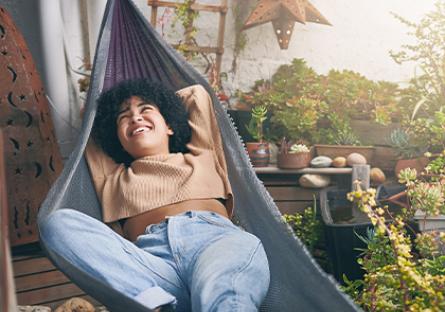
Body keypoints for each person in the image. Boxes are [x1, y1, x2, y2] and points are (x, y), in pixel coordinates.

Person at [39, 79, 270, 312]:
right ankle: (153, 303)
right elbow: (92, 125)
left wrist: (154, 101)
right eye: (123, 117)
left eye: (145, 110)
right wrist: (121, 109)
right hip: (153, 268)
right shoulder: (112, 178)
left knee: (222, 292)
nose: (135, 117)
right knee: (56, 223)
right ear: (116, 139)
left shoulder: (201, 155)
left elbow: (196, 95)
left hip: (215, 243)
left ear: (169, 126)